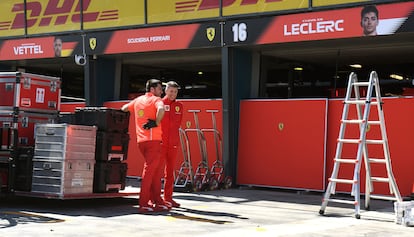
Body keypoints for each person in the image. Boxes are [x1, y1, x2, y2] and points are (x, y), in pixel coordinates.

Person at [121, 79, 167, 213]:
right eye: (159, 89)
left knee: (155, 172)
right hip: (153, 141)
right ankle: (144, 203)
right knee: (150, 172)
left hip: (142, 141)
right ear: (152, 89)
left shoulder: (138, 100)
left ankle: (157, 201)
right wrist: (157, 122)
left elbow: (124, 108)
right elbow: (161, 109)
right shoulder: (156, 100)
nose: (161, 91)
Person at [159, 81, 183, 208]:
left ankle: (168, 197)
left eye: (175, 91)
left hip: (173, 143)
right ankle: (156, 197)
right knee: (157, 171)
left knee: (170, 172)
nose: (173, 94)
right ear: (166, 91)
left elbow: (177, 125)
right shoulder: (159, 103)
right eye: (171, 91)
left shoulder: (180, 106)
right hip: (161, 142)